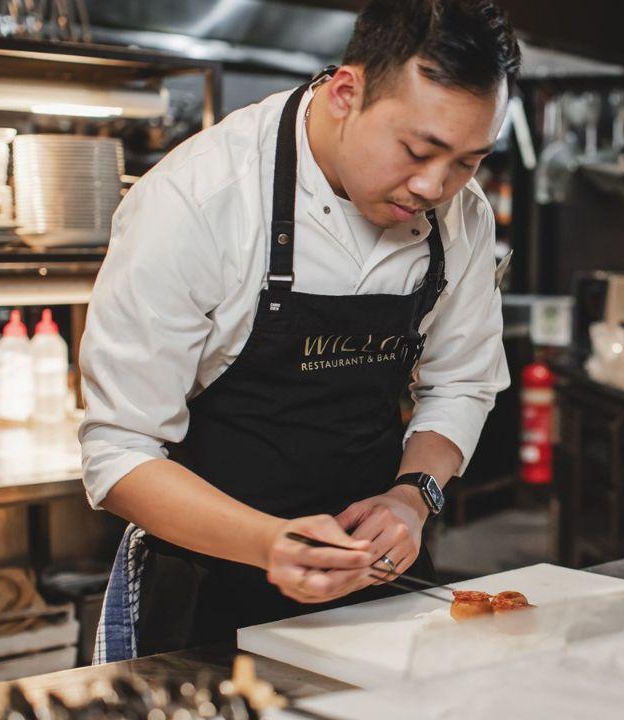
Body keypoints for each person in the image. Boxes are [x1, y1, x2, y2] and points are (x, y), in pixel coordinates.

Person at [79, 0, 519, 659]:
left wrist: (413, 497)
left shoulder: (461, 218)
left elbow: (462, 383)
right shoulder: (198, 201)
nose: (436, 186)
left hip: (369, 589)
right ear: (346, 92)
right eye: (418, 151)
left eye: (467, 162)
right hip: (200, 586)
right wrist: (268, 544)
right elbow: (119, 454)